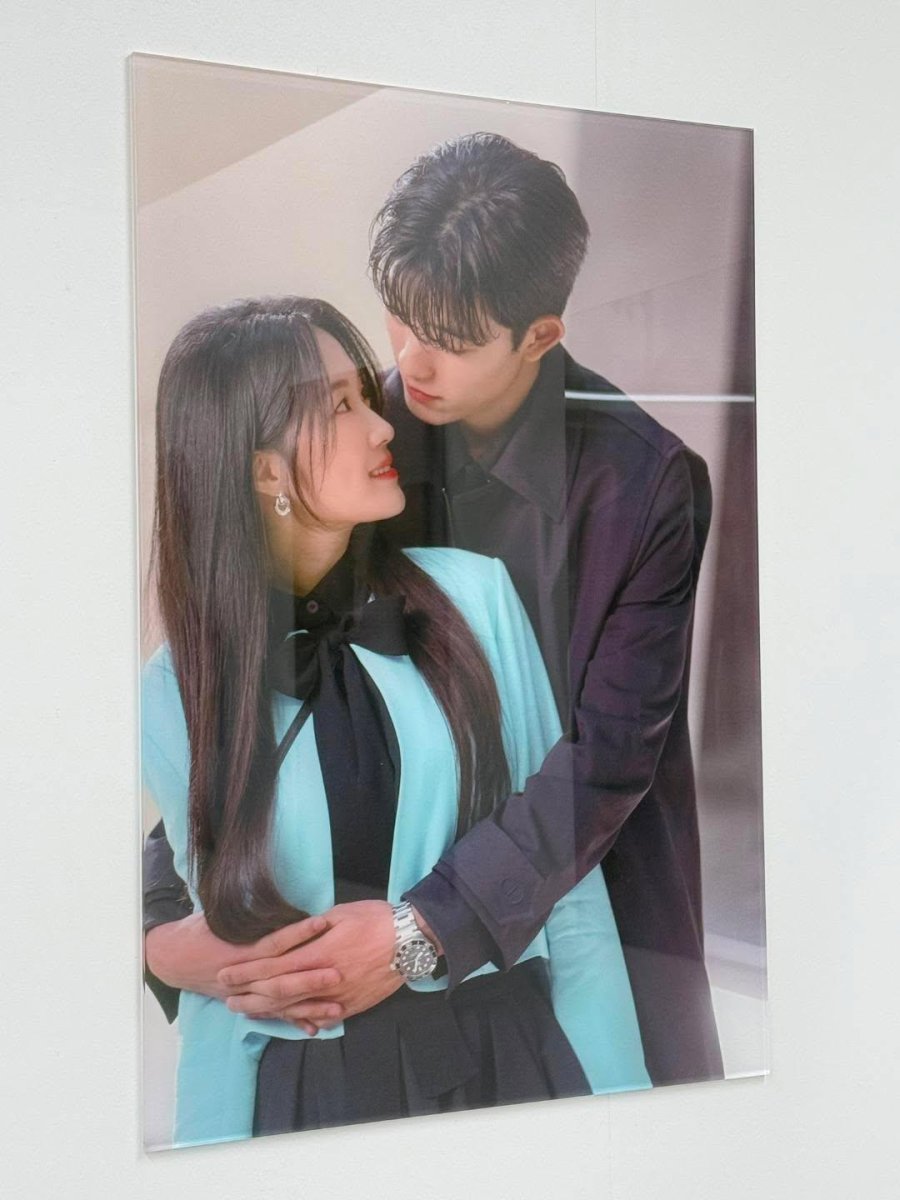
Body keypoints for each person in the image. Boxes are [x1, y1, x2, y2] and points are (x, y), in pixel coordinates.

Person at [144, 132, 724, 1088]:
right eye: (401, 320)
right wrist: (160, 926)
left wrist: (422, 932)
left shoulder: (645, 485)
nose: (409, 363)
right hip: (378, 953)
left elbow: (609, 759)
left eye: (449, 340)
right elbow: (256, 698)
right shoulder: (361, 442)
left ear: (540, 336)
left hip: (592, 900)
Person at [141, 294, 649, 1147]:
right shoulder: (173, 690)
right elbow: (229, 976)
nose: (382, 427)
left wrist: (625, 1108)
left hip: (505, 1062)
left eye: (363, 399)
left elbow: (569, 885)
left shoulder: (475, 597)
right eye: (339, 407)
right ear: (264, 472)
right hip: (310, 1099)